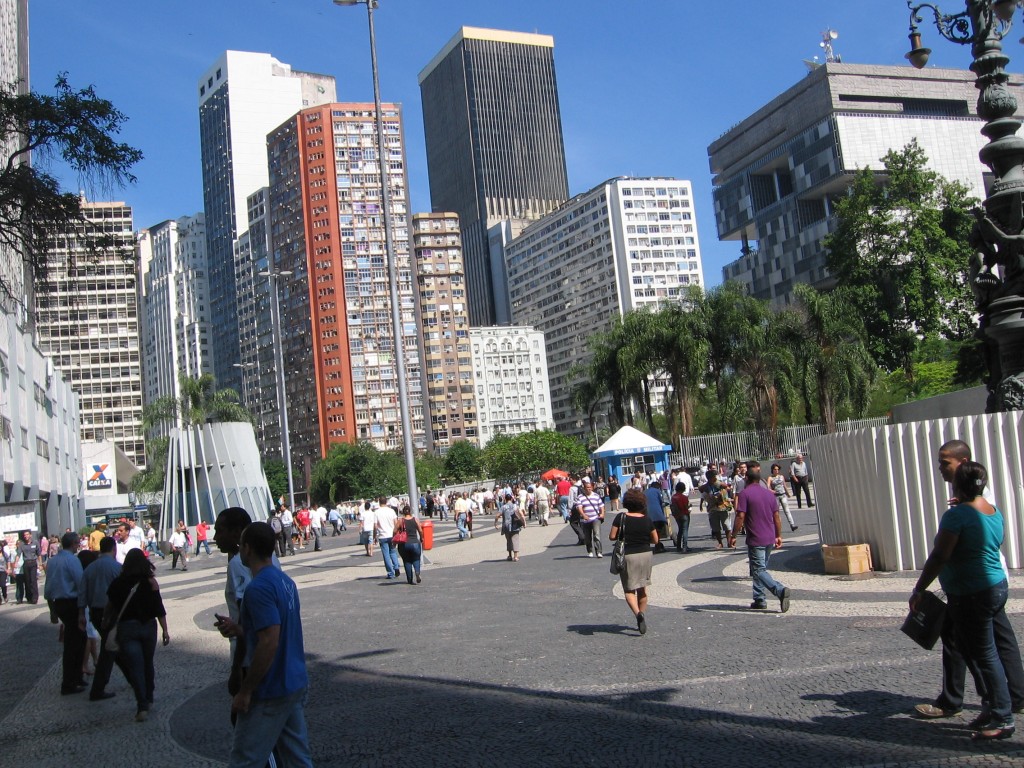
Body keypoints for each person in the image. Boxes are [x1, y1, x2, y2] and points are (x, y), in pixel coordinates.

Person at [914, 440, 1024, 725]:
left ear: (962, 464)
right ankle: (1012, 697)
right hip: (987, 582)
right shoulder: (977, 500)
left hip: (973, 586)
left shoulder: (966, 506)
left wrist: (920, 586)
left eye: (944, 462)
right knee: (997, 641)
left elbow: (941, 554)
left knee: (975, 648)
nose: (940, 468)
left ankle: (990, 707)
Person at [215, 522, 312, 767]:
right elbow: (276, 629)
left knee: (245, 759)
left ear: (247, 548)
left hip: (271, 688)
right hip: (294, 680)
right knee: (296, 758)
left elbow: (269, 641)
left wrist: (246, 690)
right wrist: (239, 630)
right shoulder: (285, 582)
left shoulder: (257, 589)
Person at [104, 548, 170, 721]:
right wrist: (165, 630)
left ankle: (142, 705)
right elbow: (159, 608)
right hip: (148, 627)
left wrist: (106, 621)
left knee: (135, 666)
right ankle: (149, 695)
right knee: (147, 663)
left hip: (127, 628)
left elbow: (110, 606)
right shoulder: (151, 583)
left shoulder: (118, 583)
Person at [732, 462, 791, 613]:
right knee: (761, 568)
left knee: (758, 570)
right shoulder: (769, 495)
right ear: (759, 479)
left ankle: (779, 590)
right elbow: (777, 517)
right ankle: (759, 599)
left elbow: (740, 517)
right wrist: (778, 535)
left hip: (756, 538)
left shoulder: (745, 494)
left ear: (746, 479)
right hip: (770, 536)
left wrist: (733, 535)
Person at [80, 536, 126, 702]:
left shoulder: (89, 569)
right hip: (112, 613)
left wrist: (81, 614)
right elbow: (123, 591)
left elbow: (82, 593)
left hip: (94, 613)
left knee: (112, 646)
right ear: (114, 549)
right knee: (110, 650)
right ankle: (98, 689)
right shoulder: (117, 567)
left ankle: (134, 678)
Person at [609, 488, 658, 635]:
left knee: (629, 590)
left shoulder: (621, 517)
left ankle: (638, 614)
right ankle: (642, 614)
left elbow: (612, 536)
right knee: (642, 588)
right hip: (645, 554)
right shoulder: (646, 519)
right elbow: (655, 540)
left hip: (628, 555)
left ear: (627, 502)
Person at [44, 532, 87, 695]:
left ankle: (77, 677)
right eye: (77, 543)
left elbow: (48, 588)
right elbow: (80, 583)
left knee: (77, 640)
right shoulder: (72, 560)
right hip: (72, 603)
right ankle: (70, 682)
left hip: (59, 603)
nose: (78, 546)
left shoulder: (53, 561)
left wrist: (52, 611)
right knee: (74, 643)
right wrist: (82, 610)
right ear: (73, 544)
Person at [700, 471, 734, 549]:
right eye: (714, 476)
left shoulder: (719, 483)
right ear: (709, 478)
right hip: (712, 508)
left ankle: (729, 542)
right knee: (716, 527)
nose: (715, 478)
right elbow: (701, 490)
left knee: (726, 525)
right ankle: (720, 543)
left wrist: (722, 492)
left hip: (722, 507)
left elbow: (727, 487)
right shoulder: (706, 486)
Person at [575, 480, 605, 558]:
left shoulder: (596, 496)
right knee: (587, 537)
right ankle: (590, 550)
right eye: (587, 488)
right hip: (586, 520)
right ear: (584, 488)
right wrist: (583, 515)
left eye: (590, 487)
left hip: (596, 518)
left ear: (592, 487)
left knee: (596, 535)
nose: (588, 489)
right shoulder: (580, 497)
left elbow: (601, 506)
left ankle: (599, 551)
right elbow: (579, 507)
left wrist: (602, 514)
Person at [395, 506, 424, 585]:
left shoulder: (400, 521)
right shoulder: (415, 520)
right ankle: (417, 572)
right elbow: (420, 530)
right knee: (416, 559)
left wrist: (394, 540)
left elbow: (394, 531)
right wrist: (421, 538)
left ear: (403, 512)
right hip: (415, 543)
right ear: (410, 512)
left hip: (404, 544)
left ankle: (410, 579)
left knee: (407, 561)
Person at [496, 493, 526, 562]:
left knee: (508, 540)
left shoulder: (503, 507)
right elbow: (521, 514)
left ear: (505, 499)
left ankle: (510, 555)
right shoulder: (515, 506)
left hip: (506, 526)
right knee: (515, 540)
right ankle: (515, 556)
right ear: (512, 499)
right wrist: (524, 523)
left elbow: (497, 515)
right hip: (515, 525)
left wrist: (495, 523)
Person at [768, 463, 799, 532]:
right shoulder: (770, 478)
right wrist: (772, 491)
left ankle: (792, 524)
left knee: (787, 510)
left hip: (783, 495)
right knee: (776, 512)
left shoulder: (781, 476)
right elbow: (767, 487)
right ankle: (778, 526)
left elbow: (784, 485)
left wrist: (788, 493)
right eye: (775, 469)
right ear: (772, 470)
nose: (776, 471)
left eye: (777, 469)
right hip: (776, 496)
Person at [644, 481, 668, 554]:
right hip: (657, 515)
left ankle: (647, 546)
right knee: (658, 530)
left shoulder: (644, 492)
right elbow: (662, 502)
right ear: (658, 487)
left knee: (648, 531)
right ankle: (657, 545)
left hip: (646, 516)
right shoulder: (657, 491)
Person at [17, 530, 40, 604]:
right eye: (24, 535)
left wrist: (40, 564)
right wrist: (15, 562)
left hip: (33, 563)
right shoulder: (22, 544)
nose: (26, 536)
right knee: (27, 581)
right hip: (26, 563)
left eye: (27, 534)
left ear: (30, 535)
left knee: (33, 580)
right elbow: (19, 554)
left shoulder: (35, 542)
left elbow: (39, 554)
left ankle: (35, 598)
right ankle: (29, 597)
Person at [670, 481, 691, 553]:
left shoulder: (673, 497)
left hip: (677, 515)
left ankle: (678, 547)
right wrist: (689, 506)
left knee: (680, 530)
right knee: (685, 530)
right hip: (684, 514)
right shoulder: (684, 497)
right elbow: (685, 507)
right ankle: (685, 547)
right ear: (683, 489)